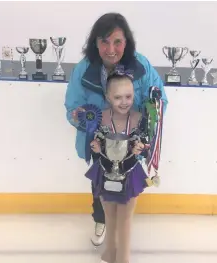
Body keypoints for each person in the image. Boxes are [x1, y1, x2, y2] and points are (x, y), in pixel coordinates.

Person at [64, 12, 168, 246]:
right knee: (99, 184)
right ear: (95, 43)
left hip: (130, 143)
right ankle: (101, 220)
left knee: (128, 185)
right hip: (101, 143)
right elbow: (72, 106)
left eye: (117, 41)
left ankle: (122, 227)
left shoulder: (142, 65)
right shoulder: (83, 69)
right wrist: (81, 119)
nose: (111, 49)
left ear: (127, 43)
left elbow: (160, 101)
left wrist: (147, 124)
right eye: (104, 41)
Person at [85, 71, 150, 263]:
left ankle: (124, 258)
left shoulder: (138, 118)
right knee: (110, 217)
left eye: (128, 96)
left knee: (125, 219)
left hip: (129, 173)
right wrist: (96, 145)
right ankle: (109, 254)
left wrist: (140, 147)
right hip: (105, 172)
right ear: (108, 97)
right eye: (118, 97)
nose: (124, 102)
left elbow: (145, 143)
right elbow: (97, 139)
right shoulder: (101, 117)